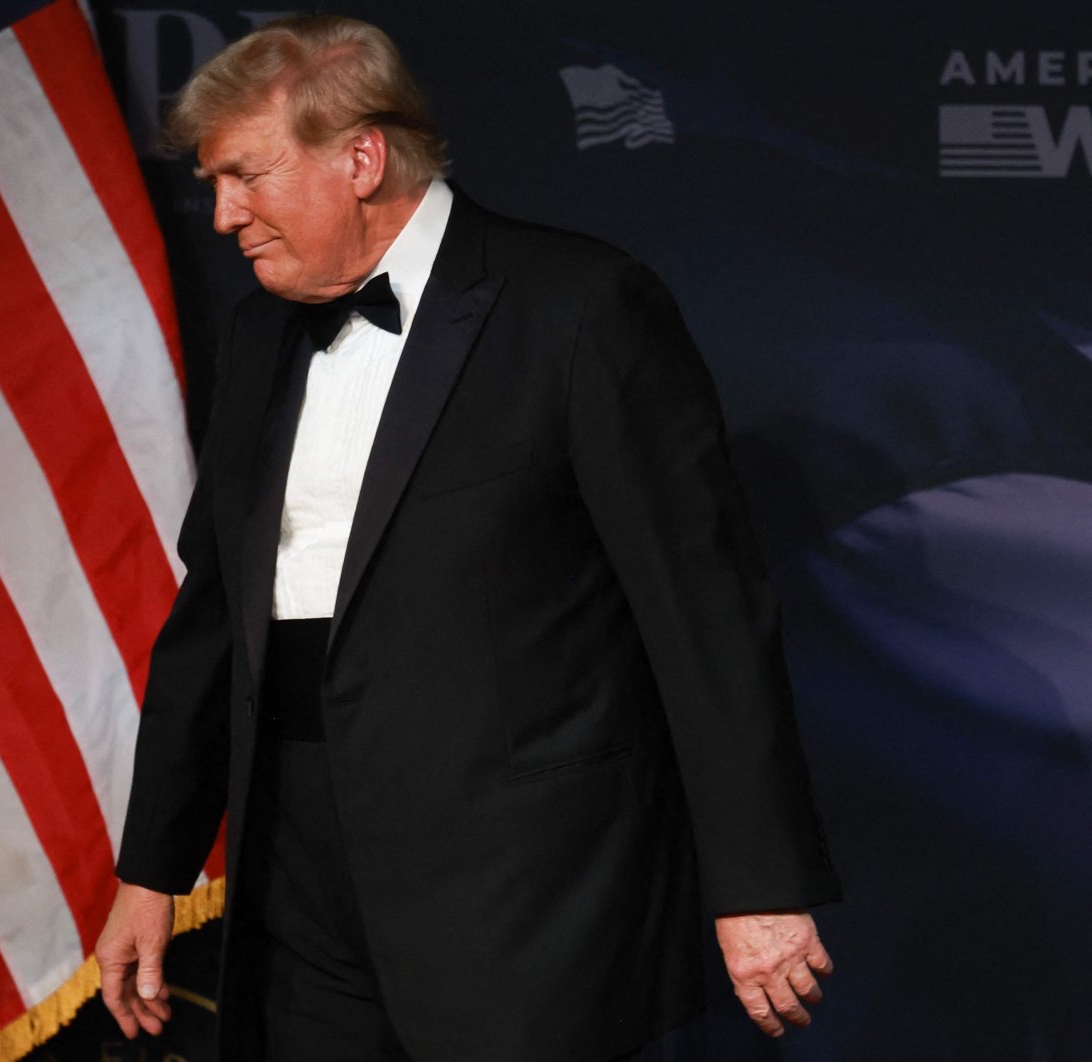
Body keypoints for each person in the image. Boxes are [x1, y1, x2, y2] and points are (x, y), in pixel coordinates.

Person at [95, 14, 840, 1061]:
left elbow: (702, 611)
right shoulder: (262, 334)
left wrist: (759, 885)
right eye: (214, 183)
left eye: (247, 177)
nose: (222, 215)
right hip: (295, 880)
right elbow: (213, 616)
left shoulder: (577, 307)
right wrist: (152, 869)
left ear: (361, 158)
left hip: (521, 890)